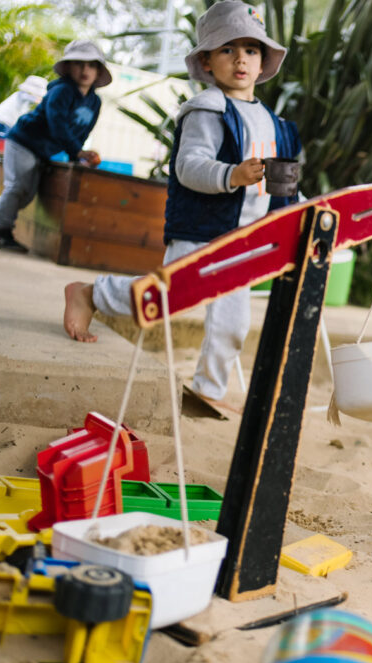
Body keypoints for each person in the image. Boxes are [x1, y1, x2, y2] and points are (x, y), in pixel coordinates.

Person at [62, 0, 301, 409]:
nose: (240, 59)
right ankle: (91, 294)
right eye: (227, 49)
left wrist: (304, 210)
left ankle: (208, 390)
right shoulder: (207, 111)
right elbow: (189, 166)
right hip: (201, 228)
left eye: (251, 49)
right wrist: (232, 174)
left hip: (245, 238)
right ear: (207, 61)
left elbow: (286, 186)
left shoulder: (277, 125)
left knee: (233, 323)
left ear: (263, 63)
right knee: (169, 296)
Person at [0, 41, 110, 253]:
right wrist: (77, 151)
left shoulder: (95, 102)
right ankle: (2, 232)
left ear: (98, 71)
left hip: (43, 151)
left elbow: (82, 132)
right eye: (78, 64)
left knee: (25, 195)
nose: (85, 71)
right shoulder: (62, 91)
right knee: (17, 187)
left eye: (91, 65)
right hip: (24, 142)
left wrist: (79, 155)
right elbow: (58, 125)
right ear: (68, 67)